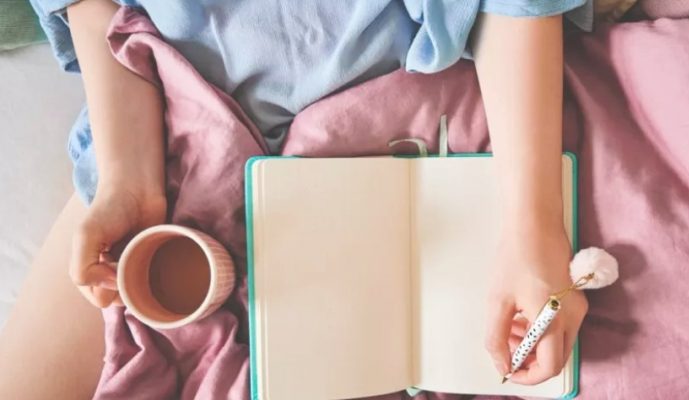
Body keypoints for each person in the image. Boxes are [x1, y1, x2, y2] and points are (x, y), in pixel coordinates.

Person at [0, 0, 591, 397]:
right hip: (168, 131)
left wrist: (532, 225)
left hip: (394, 129)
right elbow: (95, 10)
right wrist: (128, 180)